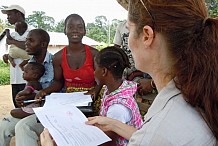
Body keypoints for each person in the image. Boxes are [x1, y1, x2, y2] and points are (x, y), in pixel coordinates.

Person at [84, 0, 217, 145]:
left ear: (146, 35)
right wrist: (113, 124)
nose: (127, 42)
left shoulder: (158, 134)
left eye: (129, 30)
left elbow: (152, 138)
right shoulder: (198, 91)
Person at [40, 46, 143, 146]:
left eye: (95, 68)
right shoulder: (116, 87)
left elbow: (106, 142)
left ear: (103, 72)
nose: (93, 73)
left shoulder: (118, 109)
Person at [35, 14, 102, 115]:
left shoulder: (94, 54)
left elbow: (101, 79)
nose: (75, 30)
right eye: (70, 27)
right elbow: (58, 82)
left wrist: (95, 90)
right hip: (70, 102)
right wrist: (44, 91)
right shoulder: (58, 57)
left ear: (85, 31)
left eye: (79, 27)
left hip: (93, 100)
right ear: (65, 31)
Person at [0, 29, 54, 146]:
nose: (26, 43)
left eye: (31, 40)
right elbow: (29, 90)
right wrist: (23, 100)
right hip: (32, 109)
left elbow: (59, 92)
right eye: (26, 40)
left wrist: (35, 97)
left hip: (48, 112)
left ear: (43, 44)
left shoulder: (55, 63)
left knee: (23, 127)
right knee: (3, 125)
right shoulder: (29, 64)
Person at [1, 5, 31, 108]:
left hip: (28, 80)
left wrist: (12, 42)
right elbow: (12, 52)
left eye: (10, 14)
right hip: (15, 78)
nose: (8, 18)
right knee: (17, 105)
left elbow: (31, 48)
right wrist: (6, 56)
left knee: (28, 107)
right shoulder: (13, 34)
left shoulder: (32, 32)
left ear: (18, 14)